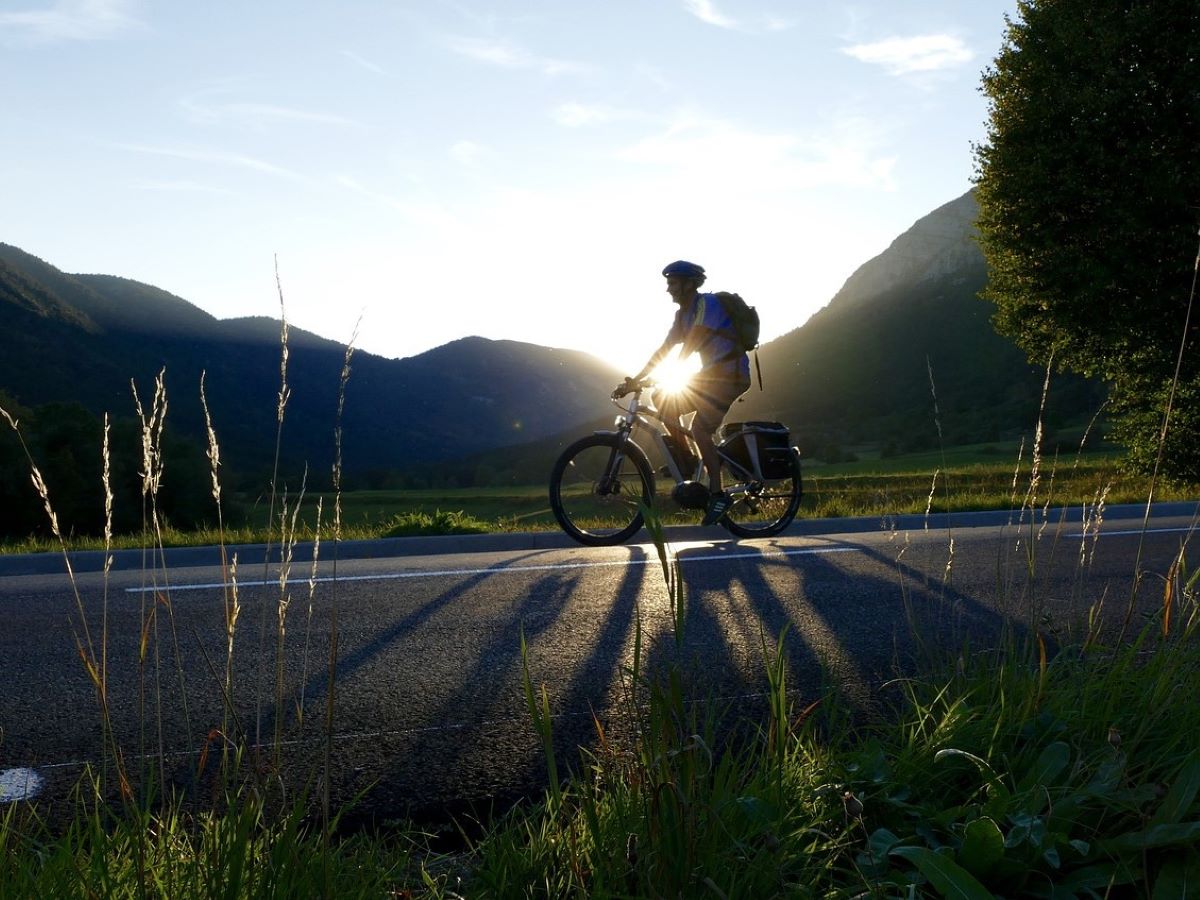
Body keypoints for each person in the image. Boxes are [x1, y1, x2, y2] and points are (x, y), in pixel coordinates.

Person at [616, 260, 752, 525]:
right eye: (668, 283)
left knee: (699, 429)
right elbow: (664, 349)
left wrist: (672, 371)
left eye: (673, 283)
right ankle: (688, 460)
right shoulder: (682, 315)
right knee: (663, 400)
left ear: (689, 284)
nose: (669, 289)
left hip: (731, 375)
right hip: (712, 376)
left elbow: (693, 341)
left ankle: (718, 493)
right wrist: (637, 379)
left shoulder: (706, 305)